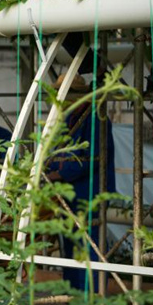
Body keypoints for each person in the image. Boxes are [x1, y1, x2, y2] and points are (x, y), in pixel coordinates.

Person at [46, 74, 116, 292]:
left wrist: (57, 174)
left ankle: (92, 296)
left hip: (91, 192)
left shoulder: (95, 117)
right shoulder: (66, 118)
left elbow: (91, 158)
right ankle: (73, 292)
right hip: (69, 192)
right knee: (69, 243)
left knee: (90, 244)